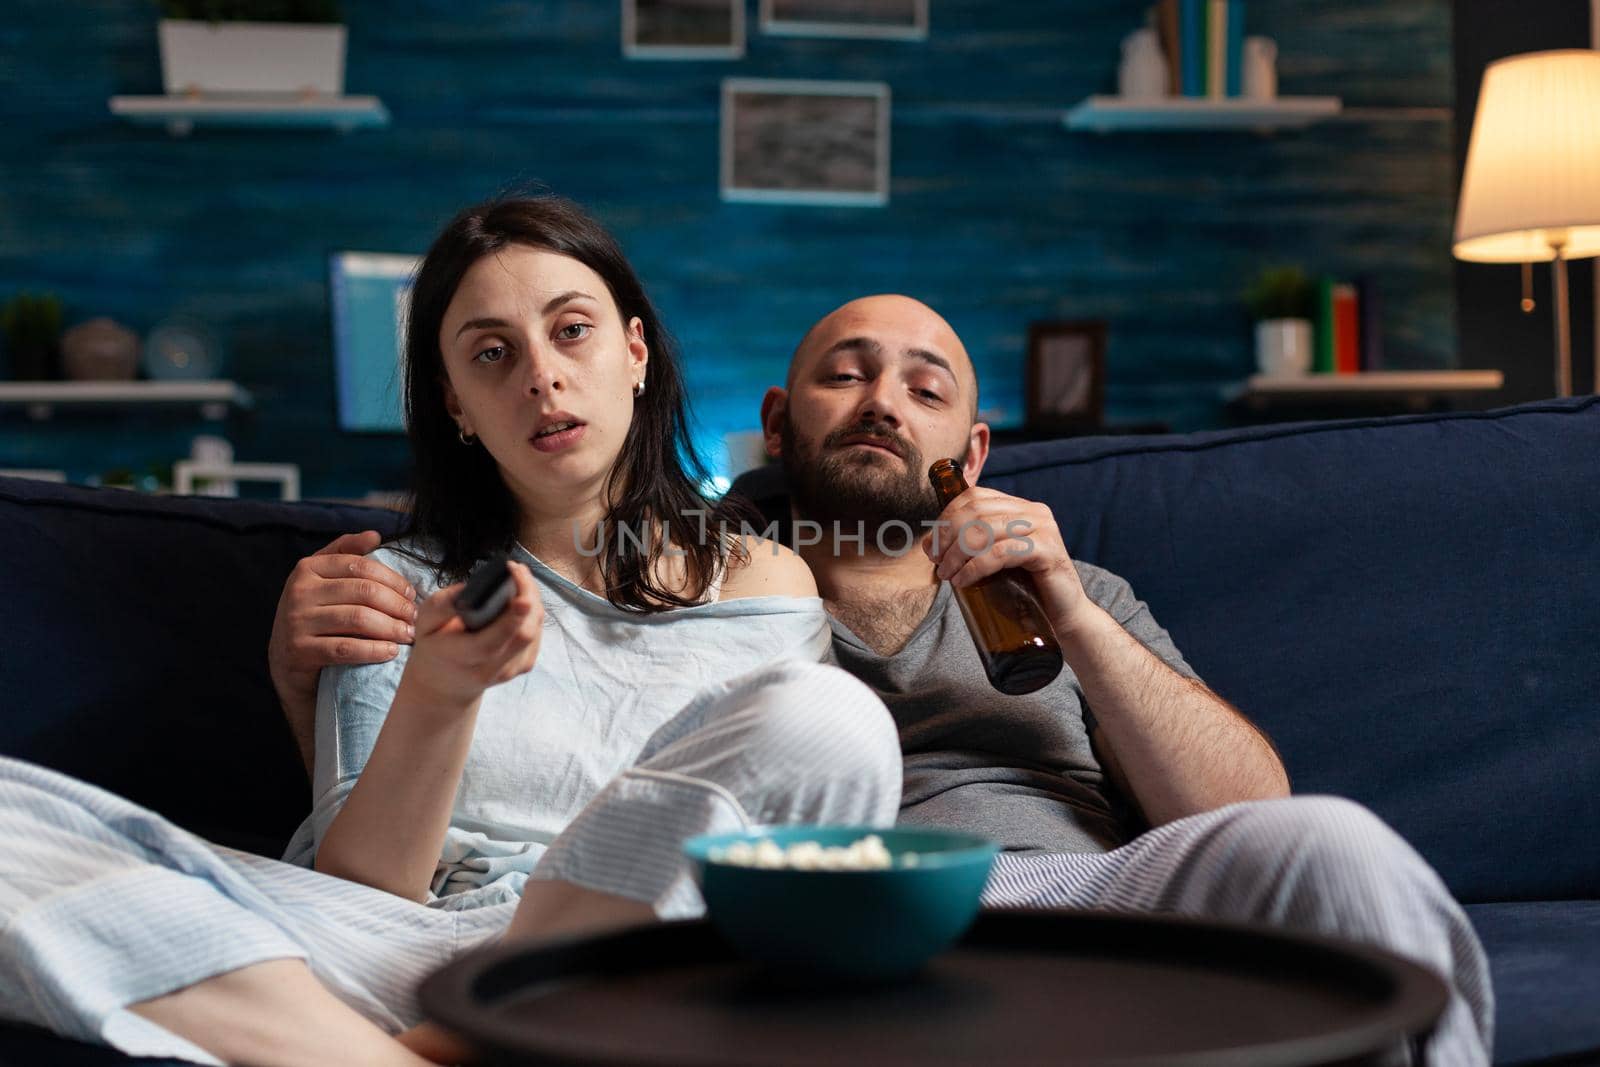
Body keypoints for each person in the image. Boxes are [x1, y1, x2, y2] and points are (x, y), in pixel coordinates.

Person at [280, 293, 1494, 1065]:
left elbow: (1249, 810)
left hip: (1071, 895)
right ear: (776, 420)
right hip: (811, 925)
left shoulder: (1072, 590)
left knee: (1335, 843)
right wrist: (308, 668)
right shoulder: (701, 573)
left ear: (971, 448)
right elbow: (546, 717)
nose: (881, 404)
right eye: (844, 373)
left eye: (925, 386)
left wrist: (1067, 608)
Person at [0, 197, 904, 1067]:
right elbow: (362, 888)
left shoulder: (764, 576)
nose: (541, 375)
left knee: (833, 720)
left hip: (646, 947)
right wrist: (443, 690)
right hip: (405, 952)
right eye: (492, 354)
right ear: (457, 406)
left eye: (572, 329)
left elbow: (798, 838)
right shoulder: (398, 586)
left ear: (635, 351)